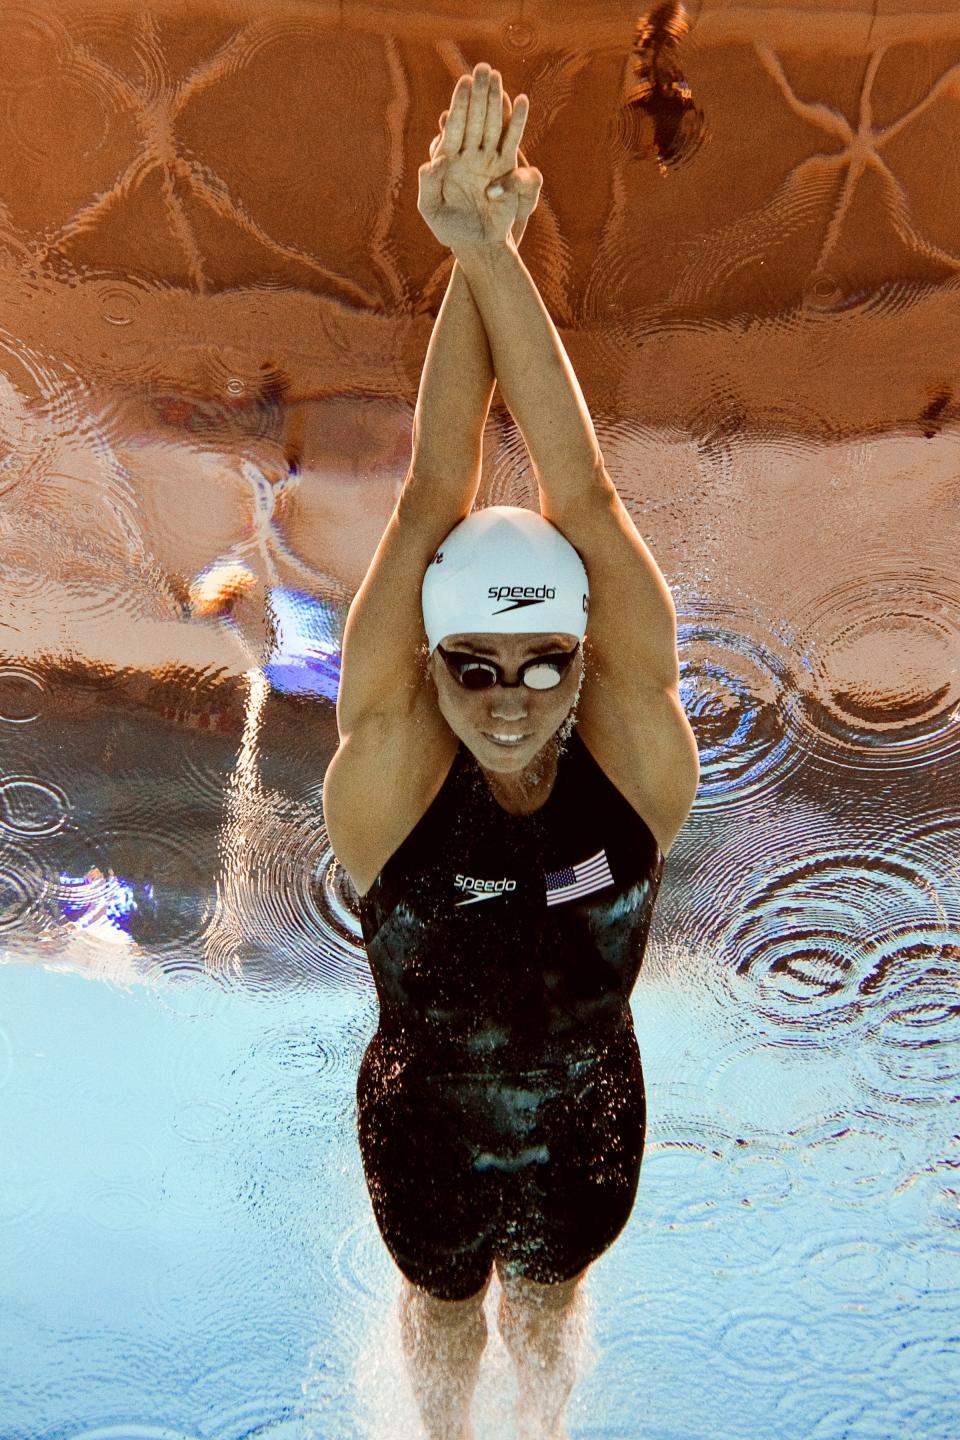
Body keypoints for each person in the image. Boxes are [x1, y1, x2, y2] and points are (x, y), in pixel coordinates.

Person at [323, 63, 699, 1440]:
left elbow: (581, 494)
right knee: (442, 1311)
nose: (508, 696)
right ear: (430, 670)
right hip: (422, 1135)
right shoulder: (388, 778)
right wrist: (477, 251)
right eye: (474, 667)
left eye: (543, 662)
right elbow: (437, 489)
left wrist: (491, 251)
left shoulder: (644, 764)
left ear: (588, 660)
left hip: (595, 1120)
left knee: (544, 1310)